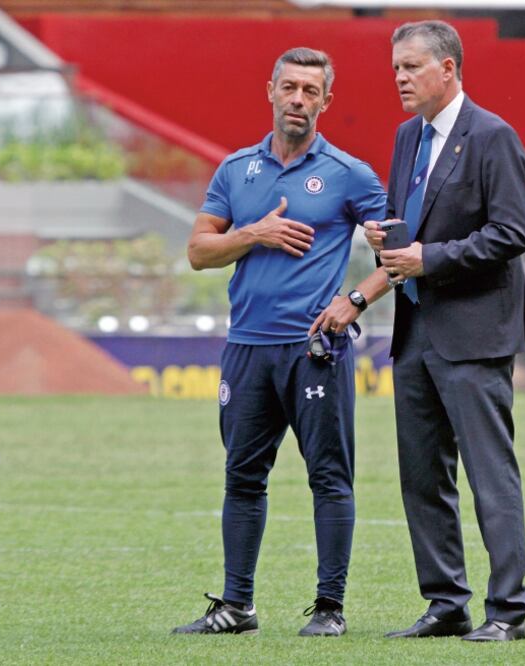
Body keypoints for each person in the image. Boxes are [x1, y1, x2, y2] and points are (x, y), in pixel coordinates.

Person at [172, 47, 386, 638]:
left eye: (310, 91)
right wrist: (255, 232)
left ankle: (329, 608)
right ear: (269, 90)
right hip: (246, 349)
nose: (298, 99)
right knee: (242, 475)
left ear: (326, 101)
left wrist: (354, 300)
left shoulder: (350, 174)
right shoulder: (235, 170)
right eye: (289, 87)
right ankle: (236, 606)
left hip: (312, 348)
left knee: (329, 477)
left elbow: (396, 255)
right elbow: (197, 252)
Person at [364, 20, 525, 642]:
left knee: (490, 474)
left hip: (473, 333)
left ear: (449, 69)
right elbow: (412, 221)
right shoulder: (407, 137)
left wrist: (429, 258)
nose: (401, 79)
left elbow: (514, 233)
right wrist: (389, 240)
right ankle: (445, 604)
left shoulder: (493, 136)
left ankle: (507, 612)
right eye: (396, 70)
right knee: (422, 477)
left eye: (411, 68)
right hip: (415, 332)